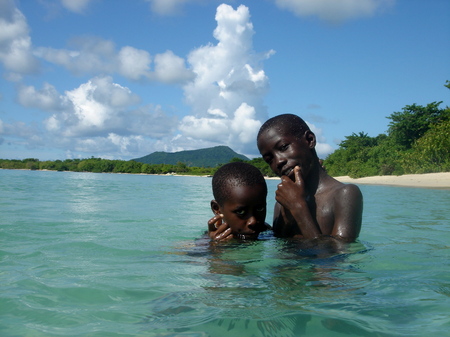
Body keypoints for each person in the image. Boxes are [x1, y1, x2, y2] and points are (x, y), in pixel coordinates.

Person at [256, 113, 363, 242]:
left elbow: (338, 257)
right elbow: (279, 245)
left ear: (310, 140)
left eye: (284, 147)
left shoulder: (344, 194)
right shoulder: (283, 202)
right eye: (269, 159)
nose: (278, 161)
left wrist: (298, 207)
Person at [208, 162, 271, 241]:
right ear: (217, 209)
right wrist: (214, 248)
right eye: (241, 212)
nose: (253, 222)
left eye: (260, 209)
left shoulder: (267, 232)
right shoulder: (206, 244)